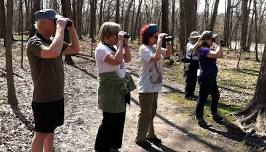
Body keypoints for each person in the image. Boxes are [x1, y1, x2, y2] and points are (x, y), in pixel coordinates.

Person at [26, 9, 80, 152]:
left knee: (51, 130)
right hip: (43, 99)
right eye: (54, 21)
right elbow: (52, 52)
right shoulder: (34, 42)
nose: (57, 23)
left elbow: (75, 48)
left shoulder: (52, 41)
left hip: (57, 96)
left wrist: (71, 29)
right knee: (41, 134)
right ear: (44, 23)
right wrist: (61, 28)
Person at [94, 22, 135, 152]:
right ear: (108, 35)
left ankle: (113, 146)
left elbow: (127, 59)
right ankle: (101, 147)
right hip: (110, 90)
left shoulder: (113, 47)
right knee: (110, 120)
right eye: (116, 35)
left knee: (119, 119)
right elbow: (116, 61)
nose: (118, 37)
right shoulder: (101, 49)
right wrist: (120, 44)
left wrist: (124, 44)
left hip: (120, 88)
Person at [135, 24, 172, 148]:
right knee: (146, 112)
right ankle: (140, 137)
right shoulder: (144, 48)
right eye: (155, 36)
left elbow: (168, 54)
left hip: (155, 85)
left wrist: (168, 42)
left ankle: (150, 134)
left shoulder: (155, 47)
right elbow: (156, 58)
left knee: (153, 110)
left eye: (157, 36)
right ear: (148, 36)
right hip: (146, 86)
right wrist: (160, 41)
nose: (156, 38)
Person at [195, 31, 223, 128]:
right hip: (205, 77)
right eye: (212, 38)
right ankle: (199, 118)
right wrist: (218, 43)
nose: (213, 40)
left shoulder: (207, 49)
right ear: (206, 39)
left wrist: (218, 44)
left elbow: (220, 54)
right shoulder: (203, 49)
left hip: (211, 76)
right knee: (202, 98)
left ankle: (214, 113)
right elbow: (218, 55)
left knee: (215, 95)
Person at [184, 31, 201, 100]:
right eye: (195, 38)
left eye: (197, 38)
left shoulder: (198, 45)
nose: (196, 40)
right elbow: (192, 48)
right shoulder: (189, 44)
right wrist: (198, 42)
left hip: (196, 63)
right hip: (189, 64)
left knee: (194, 79)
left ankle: (192, 94)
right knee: (189, 79)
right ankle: (188, 95)